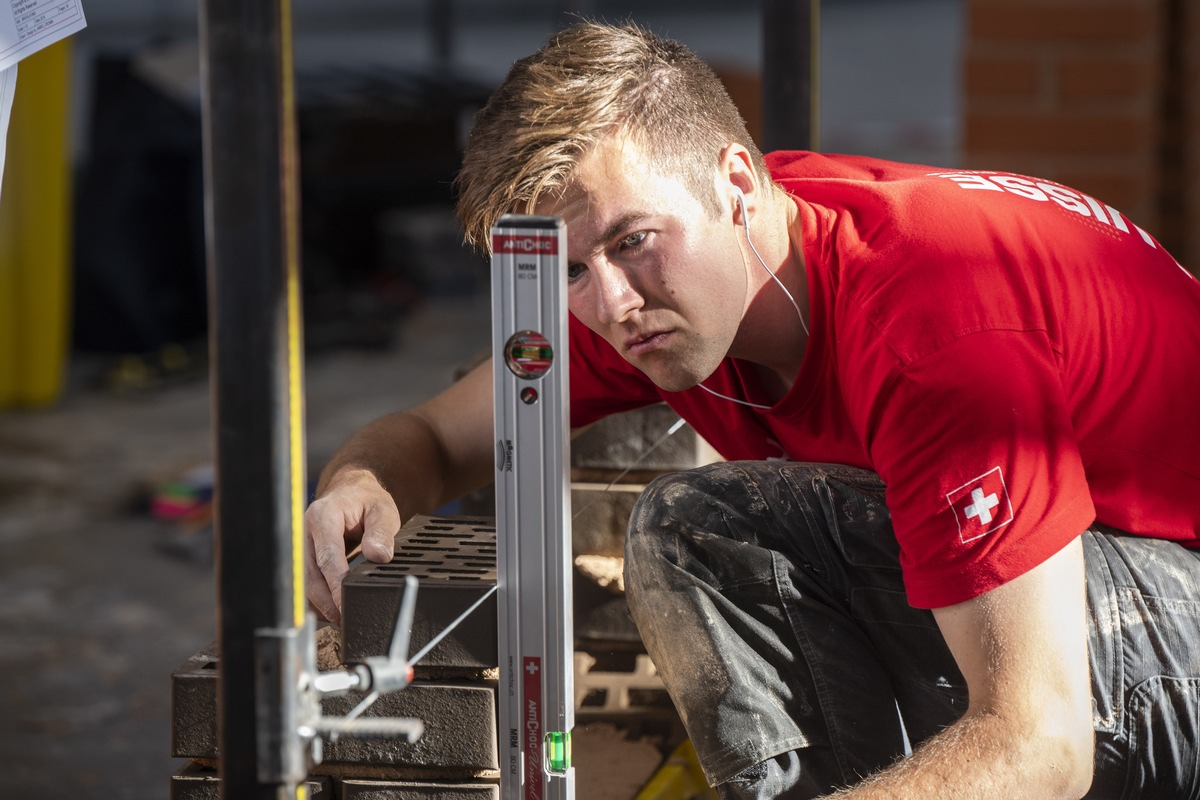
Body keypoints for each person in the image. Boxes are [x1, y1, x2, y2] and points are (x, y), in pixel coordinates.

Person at [305, 21, 1200, 799]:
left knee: (701, 526)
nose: (609, 303)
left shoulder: (930, 327)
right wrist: (362, 483)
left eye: (632, 242)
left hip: (1177, 614)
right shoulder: (668, 293)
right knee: (715, 526)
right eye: (569, 269)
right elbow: (432, 435)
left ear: (736, 181)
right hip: (1115, 579)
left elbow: (1042, 741)